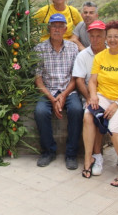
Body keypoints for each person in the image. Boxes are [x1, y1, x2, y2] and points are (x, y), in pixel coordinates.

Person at [74, 21, 118, 177]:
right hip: (103, 95)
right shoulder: (101, 57)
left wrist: (117, 104)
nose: (112, 40)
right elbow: (92, 80)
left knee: (115, 127)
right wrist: (93, 96)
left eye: (116, 37)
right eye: (110, 36)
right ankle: (90, 159)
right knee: (88, 115)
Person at [34, 13, 83, 170]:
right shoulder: (39, 49)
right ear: (49, 28)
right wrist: (52, 98)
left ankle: (71, 154)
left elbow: (75, 78)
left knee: (77, 110)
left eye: (60, 26)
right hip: (47, 91)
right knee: (40, 112)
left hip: (68, 90)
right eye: (54, 26)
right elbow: (38, 80)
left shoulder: (73, 48)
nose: (57, 29)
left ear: (65, 28)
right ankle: (48, 151)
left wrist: (63, 95)